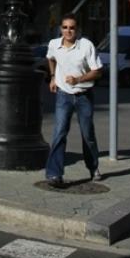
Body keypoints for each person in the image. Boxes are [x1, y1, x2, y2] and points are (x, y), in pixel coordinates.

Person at [45, 13, 103, 188]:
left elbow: (98, 71)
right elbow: (50, 58)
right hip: (64, 94)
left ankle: (93, 168)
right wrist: (53, 77)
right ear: (60, 29)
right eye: (65, 27)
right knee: (59, 132)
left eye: (72, 28)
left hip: (84, 94)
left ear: (77, 30)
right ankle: (55, 174)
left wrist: (78, 80)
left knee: (88, 135)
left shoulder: (86, 46)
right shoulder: (54, 44)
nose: (68, 31)